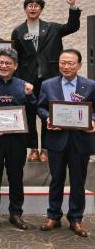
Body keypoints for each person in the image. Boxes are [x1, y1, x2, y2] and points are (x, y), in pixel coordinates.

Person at [11, 0, 81, 163]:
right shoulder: (18, 31)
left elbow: (72, 26)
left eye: (36, 5)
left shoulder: (52, 28)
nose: (33, 8)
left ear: (41, 9)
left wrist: (73, 7)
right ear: (25, 9)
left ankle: (46, 149)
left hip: (50, 76)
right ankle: (33, 148)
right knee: (30, 113)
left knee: (48, 113)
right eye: (29, 5)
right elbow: (15, 57)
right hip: (27, 77)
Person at [37, 49, 95, 237]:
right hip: (56, 140)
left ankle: (76, 218)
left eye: (71, 63)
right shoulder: (48, 84)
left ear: (79, 65)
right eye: (63, 62)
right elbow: (41, 107)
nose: (66, 66)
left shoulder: (90, 85)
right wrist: (47, 118)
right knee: (56, 180)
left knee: (78, 181)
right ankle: (53, 216)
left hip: (80, 141)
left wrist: (92, 121)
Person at [0, 48, 36, 230]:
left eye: (8, 63)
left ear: (15, 66)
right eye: (0, 62)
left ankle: (16, 213)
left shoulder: (24, 86)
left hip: (17, 139)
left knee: (16, 177)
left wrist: (30, 96)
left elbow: (32, 112)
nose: (4, 66)